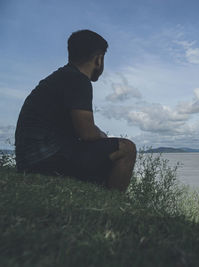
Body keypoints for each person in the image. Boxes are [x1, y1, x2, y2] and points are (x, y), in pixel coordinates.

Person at [14, 29, 136, 192]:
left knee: (99, 151)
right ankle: (115, 202)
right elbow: (87, 134)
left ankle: (99, 192)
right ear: (98, 59)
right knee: (127, 148)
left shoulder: (61, 77)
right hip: (46, 162)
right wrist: (102, 136)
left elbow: (79, 127)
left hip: (30, 161)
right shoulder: (78, 80)